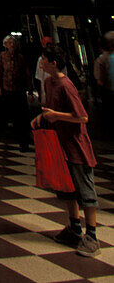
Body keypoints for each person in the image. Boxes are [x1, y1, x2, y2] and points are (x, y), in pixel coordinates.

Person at [32, 44, 99, 257]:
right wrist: (42, 117)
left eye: (44, 59)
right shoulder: (49, 82)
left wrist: (56, 116)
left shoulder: (65, 84)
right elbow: (52, 109)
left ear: (53, 63)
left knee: (85, 191)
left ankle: (92, 236)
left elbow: (82, 117)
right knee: (68, 189)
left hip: (76, 147)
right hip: (60, 145)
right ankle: (74, 227)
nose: (41, 63)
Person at [0, 34, 32, 151]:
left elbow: (27, 73)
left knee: (21, 116)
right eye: (9, 43)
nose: (12, 45)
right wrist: (0, 88)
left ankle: (24, 141)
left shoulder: (21, 57)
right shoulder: (3, 56)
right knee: (6, 113)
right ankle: (7, 137)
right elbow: (1, 72)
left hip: (19, 89)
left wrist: (30, 90)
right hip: (7, 88)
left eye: (13, 43)